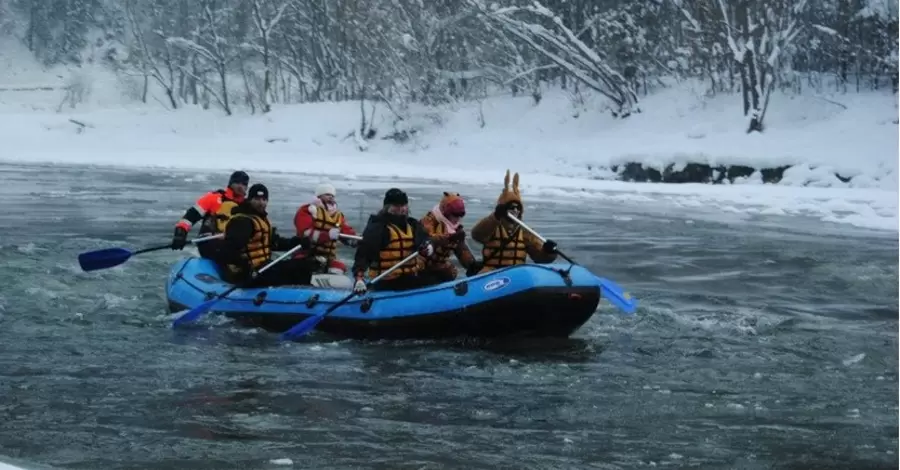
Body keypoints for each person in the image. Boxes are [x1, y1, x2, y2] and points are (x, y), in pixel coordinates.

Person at [218, 183, 315, 287]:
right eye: (257, 199)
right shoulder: (242, 221)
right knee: (290, 271)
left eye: (264, 200)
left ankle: (304, 295)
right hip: (249, 273)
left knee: (303, 265)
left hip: (264, 267)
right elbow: (228, 251)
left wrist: (297, 242)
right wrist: (245, 268)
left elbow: (274, 242)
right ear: (250, 200)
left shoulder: (261, 219)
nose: (261, 203)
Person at [470, 170, 558, 273]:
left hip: (516, 275)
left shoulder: (525, 231)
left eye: (518, 208)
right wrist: (495, 216)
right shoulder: (492, 225)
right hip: (492, 273)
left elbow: (539, 258)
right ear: (503, 209)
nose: (515, 211)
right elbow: (477, 235)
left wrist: (548, 252)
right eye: (511, 208)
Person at [351, 188, 435, 293]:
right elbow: (364, 254)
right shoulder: (378, 227)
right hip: (386, 281)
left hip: (410, 277)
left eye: (403, 205)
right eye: (396, 206)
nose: (401, 209)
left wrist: (428, 246)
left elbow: (425, 239)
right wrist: (359, 278)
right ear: (387, 207)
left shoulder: (413, 225)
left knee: (434, 279)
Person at [171, 170, 249, 259]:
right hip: (209, 242)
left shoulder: (247, 206)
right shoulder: (213, 198)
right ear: (230, 183)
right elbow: (190, 217)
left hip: (233, 246)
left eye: (244, 184)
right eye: (237, 182)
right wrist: (180, 234)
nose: (240, 186)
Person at [292, 183, 358, 275]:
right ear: (319, 196)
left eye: (332, 195)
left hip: (328, 258)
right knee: (308, 266)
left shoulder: (338, 216)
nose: (330, 197)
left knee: (339, 268)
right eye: (327, 195)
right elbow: (306, 234)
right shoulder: (308, 210)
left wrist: (354, 240)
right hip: (307, 255)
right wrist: (327, 236)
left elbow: (345, 230)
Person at [418, 191, 481, 283]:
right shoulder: (428, 222)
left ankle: (473, 268)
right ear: (445, 212)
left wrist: (471, 264)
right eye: (455, 215)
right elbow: (426, 240)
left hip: (439, 265)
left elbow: (461, 249)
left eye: (460, 215)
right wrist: (448, 238)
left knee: (451, 271)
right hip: (422, 266)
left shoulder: (455, 229)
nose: (457, 218)